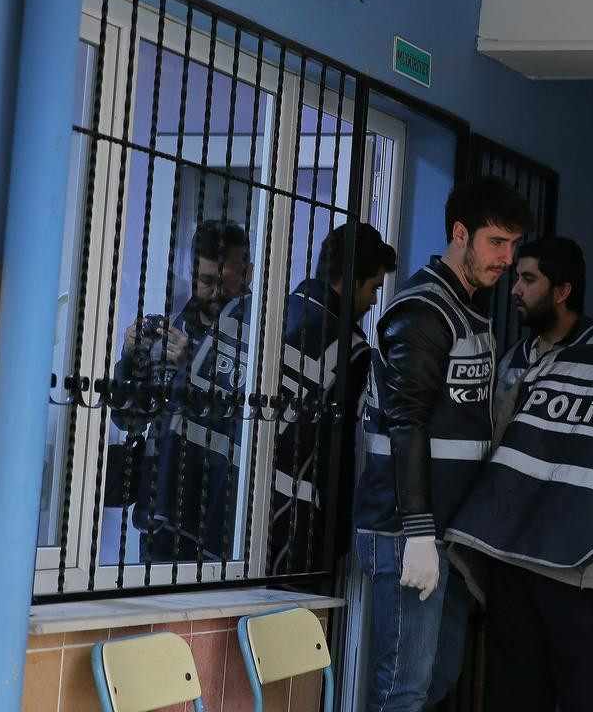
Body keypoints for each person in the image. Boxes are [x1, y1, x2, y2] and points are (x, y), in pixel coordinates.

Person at [353, 178, 536, 711]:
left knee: (436, 680)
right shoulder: (424, 312)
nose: (507, 258)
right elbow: (406, 423)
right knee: (402, 690)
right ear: (460, 234)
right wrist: (417, 533)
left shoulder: (465, 306)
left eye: (513, 245)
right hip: (405, 529)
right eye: (497, 242)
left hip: (446, 531)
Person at [446, 331, 593, 712]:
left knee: (513, 700)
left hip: (510, 556)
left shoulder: (555, 362)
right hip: (591, 572)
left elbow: (499, 436)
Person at [113, 219, 253, 563]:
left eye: (225, 282)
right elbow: (129, 419)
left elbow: (254, 421)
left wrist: (192, 369)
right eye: (206, 281)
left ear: (248, 274)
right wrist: (130, 359)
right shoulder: (174, 327)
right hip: (162, 512)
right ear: (191, 272)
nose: (215, 293)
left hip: (222, 522)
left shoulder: (258, 336)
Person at [269, 223, 397, 576]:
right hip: (297, 530)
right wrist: (336, 539)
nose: (374, 301)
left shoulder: (272, 309)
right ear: (353, 280)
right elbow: (338, 453)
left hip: (234, 519)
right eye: (373, 288)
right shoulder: (350, 351)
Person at [492, 237, 593, 443]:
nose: (515, 289)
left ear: (562, 292)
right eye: (517, 278)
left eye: (528, 280)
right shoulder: (512, 358)